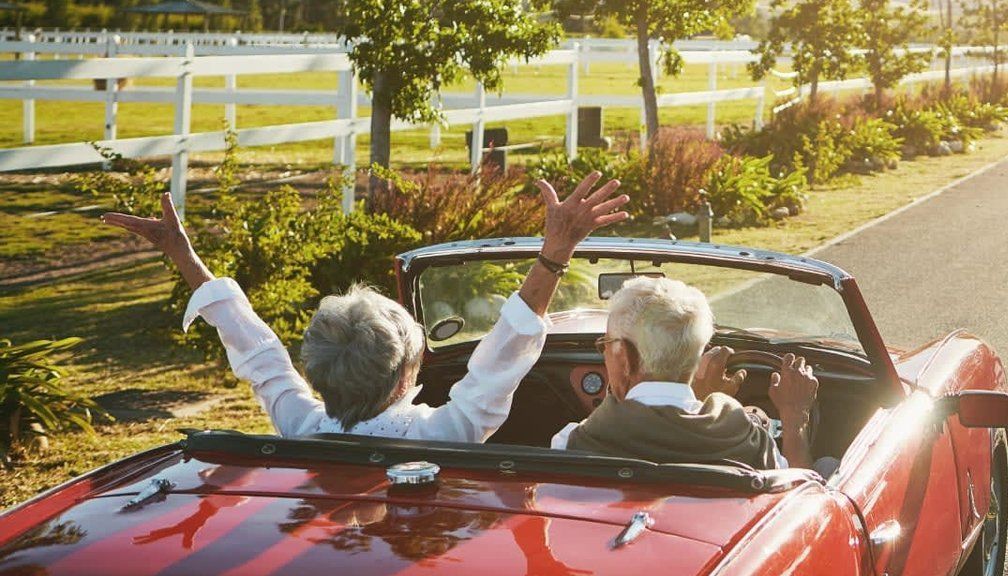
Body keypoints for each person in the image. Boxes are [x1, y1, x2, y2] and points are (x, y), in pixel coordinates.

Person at [102, 172, 629, 442]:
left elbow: (259, 353)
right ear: (404, 378)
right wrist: (556, 251)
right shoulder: (444, 434)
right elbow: (503, 356)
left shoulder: (302, 427)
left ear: (320, 373)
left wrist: (187, 258)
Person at [550, 276, 819, 469]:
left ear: (625, 356)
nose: (604, 353)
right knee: (829, 464)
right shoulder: (750, 440)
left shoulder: (572, 443)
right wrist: (795, 419)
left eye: (606, 345)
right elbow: (801, 495)